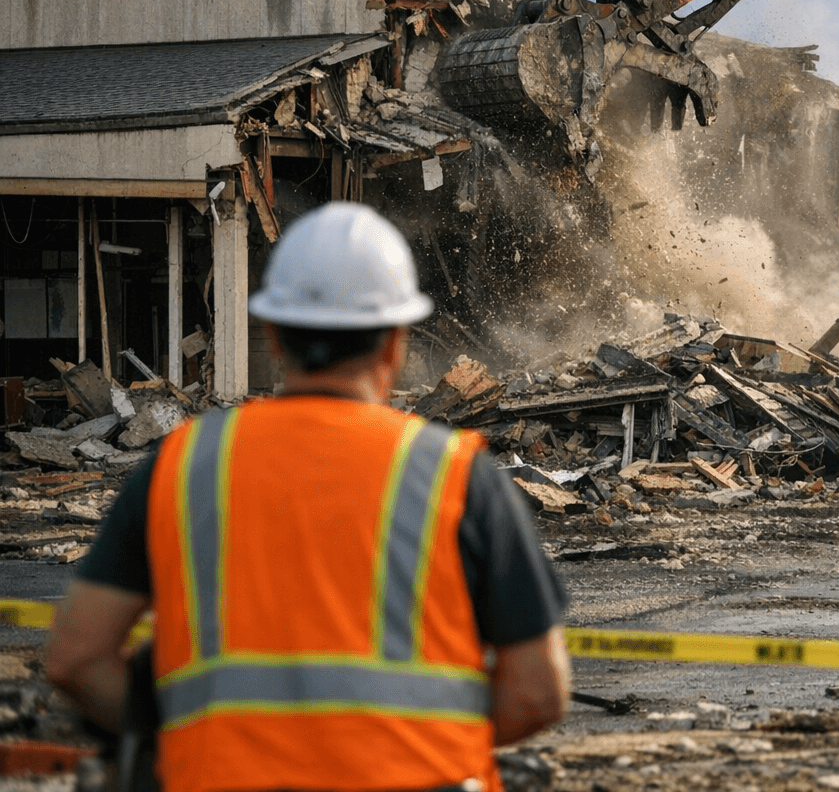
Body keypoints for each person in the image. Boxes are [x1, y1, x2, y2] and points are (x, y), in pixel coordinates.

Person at [47, 202, 571, 792]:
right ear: (396, 342)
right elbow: (536, 693)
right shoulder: (454, 474)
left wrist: (179, 737)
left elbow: (77, 660)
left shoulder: (184, 465)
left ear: (273, 335)